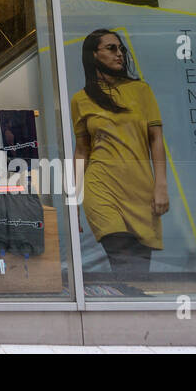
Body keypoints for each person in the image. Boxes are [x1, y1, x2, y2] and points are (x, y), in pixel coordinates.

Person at [71, 29, 169, 279]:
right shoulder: (81, 100)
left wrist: (161, 185)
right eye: (111, 48)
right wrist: (74, 200)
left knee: (138, 269)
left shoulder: (141, 91)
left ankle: (128, 311)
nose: (119, 54)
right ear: (94, 54)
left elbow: (156, 139)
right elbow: (82, 151)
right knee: (121, 255)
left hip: (140, 188)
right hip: (101, 186)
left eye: (121, 49)